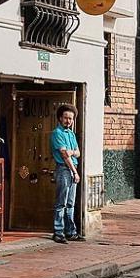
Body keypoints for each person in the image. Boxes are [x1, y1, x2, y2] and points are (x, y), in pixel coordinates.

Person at [50, 104, 84, 243]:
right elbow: (65, 155)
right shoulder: (57, 133)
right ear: (60, 118)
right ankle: (58, 232)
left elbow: (77, 152)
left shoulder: (71, 134)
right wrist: (75, 172)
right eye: (65, 118)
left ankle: (71, 232)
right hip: (64, 169)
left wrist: (72, 153)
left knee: (71, 203)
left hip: (71, 169)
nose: (68, 121)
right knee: (61, 203)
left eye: (70, 118)